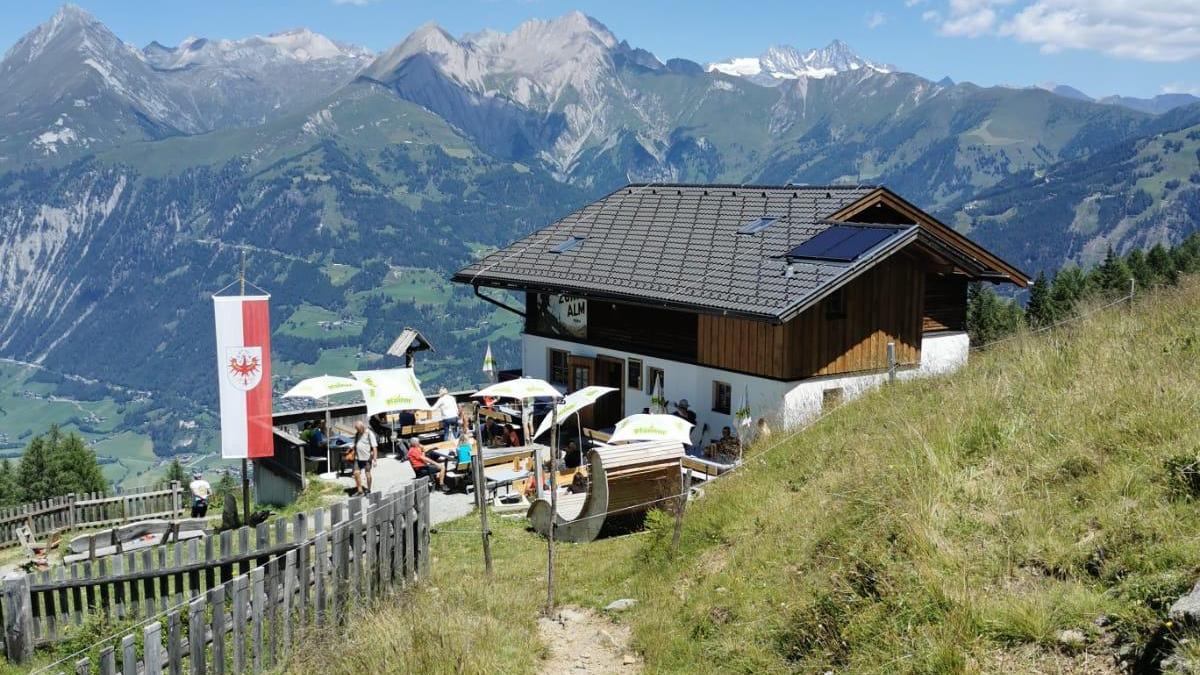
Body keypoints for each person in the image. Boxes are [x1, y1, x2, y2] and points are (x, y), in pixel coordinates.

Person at [351, 420, 378, 496]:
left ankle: (368, 490)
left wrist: (375, 459)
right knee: (356, 473)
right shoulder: (357, 434)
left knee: (367, 474)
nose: (358, 431)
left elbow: (374, 447)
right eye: (357, 429)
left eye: (359, 429)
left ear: (362, 427)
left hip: (367, 458)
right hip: (357, 457)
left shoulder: (369, 433)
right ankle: (360, 490)